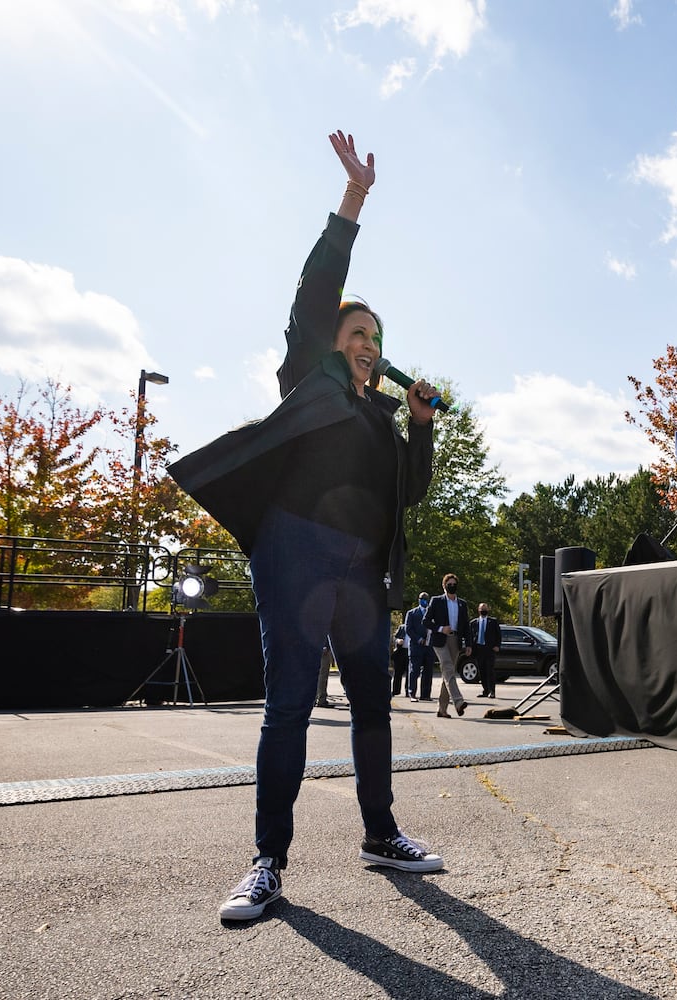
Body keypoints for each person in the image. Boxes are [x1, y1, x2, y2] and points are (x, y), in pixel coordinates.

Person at [168, 130, 444, 923]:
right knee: (289, 704)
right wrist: (354, 200)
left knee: (372, 705)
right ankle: (267, 863)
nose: (368, 346)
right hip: (294, 550)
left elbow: (410, 494)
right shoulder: (307, 376)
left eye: (376, 340)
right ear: (332, 344)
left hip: (362, 568)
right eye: (357, 334)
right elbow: (317, 288)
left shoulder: (386, 421)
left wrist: (421, 427)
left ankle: (381, 834)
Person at [422, 573, 470, 718]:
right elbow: (426, 621)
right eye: (449, 584)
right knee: (448, 667)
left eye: (454, 584)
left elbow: (466, 626)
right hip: (440, 640)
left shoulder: (462, 603)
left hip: (455, 640)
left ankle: (442, 710)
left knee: (447, 674)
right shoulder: (436, 601)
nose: (452, 586)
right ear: (444, 586)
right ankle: (458, 701)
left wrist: (468, 644)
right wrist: (441, 628)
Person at [404, 592, 435, 702]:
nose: (424, 600)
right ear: (419, 600)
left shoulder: (432, 613)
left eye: (426, 599)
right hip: (416, 646)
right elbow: (408, 629)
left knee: (428, 671)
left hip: (429, 647)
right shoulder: (412, 613)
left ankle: (426, 694)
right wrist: (418, 639)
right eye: (422, 599)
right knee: (414, 671)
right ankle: (412, 693)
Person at [469, 603, 502, 698]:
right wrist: (470, 647)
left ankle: (492, 691)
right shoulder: (473, 623)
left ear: (488, 610)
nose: (483, 610)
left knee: (490, 670)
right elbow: (471, 636)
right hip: (479, 649)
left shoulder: (493, 622)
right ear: (478, 610)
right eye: (482, 609)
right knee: (481, 671)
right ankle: (485, 690)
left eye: (485, 609)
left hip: (490, 649)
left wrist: (497, 645)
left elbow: (498, 635)